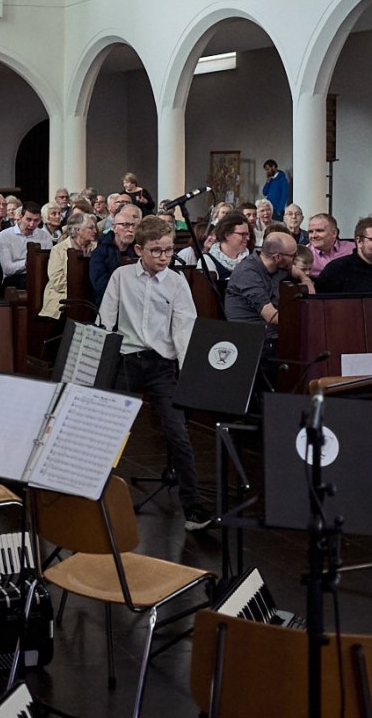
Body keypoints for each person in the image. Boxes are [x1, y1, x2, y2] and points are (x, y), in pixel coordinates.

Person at [96, 216, 210, 531]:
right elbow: (105, 320)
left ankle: (193, 507)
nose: (164, 257)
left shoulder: (176, 282)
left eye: (168, 250)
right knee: (110, 431)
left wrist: (187, 373)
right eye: (156, 250)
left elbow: (185, 328)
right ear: (139, 250)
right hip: (127, 361)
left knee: (178, 433)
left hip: (162, 364)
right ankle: (96, 498)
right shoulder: (121, 276)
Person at [224, 231, 314, 332]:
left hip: (272, 331)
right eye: (293, 255)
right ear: (277, 257)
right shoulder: (247, 274)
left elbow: (294, 270)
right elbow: (271, 316)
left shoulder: (277, 266)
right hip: (251, 334)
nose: (294, 259)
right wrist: (309, 320)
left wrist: (306, 280)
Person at [40, 213, 100, 321]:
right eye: (91, 228)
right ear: (77, 230)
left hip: (90, 297)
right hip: (63, 296)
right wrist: (80, 291)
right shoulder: (58, 250)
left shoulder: (97, 248)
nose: (95, 231)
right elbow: (57, 281)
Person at [87, 202, 142, 305]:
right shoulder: (101, 252)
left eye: (133, 225)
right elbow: (100, 284)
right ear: (114, 227)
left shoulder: (139, 250)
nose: (130, 230)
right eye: (125, 225)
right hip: (108, 303)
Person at [0, 200, 53, 291]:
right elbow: (7, 269)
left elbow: (49, 263)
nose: (32, 224)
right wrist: (28, 262)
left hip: (40, 277)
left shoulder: (45, 236)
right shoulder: (5, 236)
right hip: (14, 279)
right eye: (28, 219)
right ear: (21, 217)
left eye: (36, 220)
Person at [178, 212, 250, 281]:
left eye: (247, 234)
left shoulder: (250, 259)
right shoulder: (207, 261)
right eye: (243, 234)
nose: (247, 238)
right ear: (227, 235)